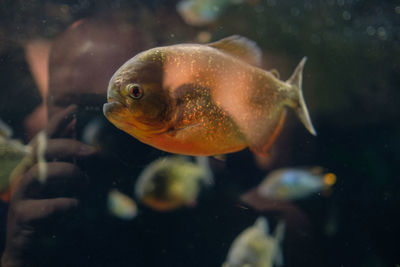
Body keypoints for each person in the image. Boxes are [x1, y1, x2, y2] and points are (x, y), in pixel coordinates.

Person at [1, 16, 320, 267]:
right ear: (44, 107)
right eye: (78, 103)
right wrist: (14, 254)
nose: (99, 132)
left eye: (136, 93)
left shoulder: (233, 181)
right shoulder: (27, 192)